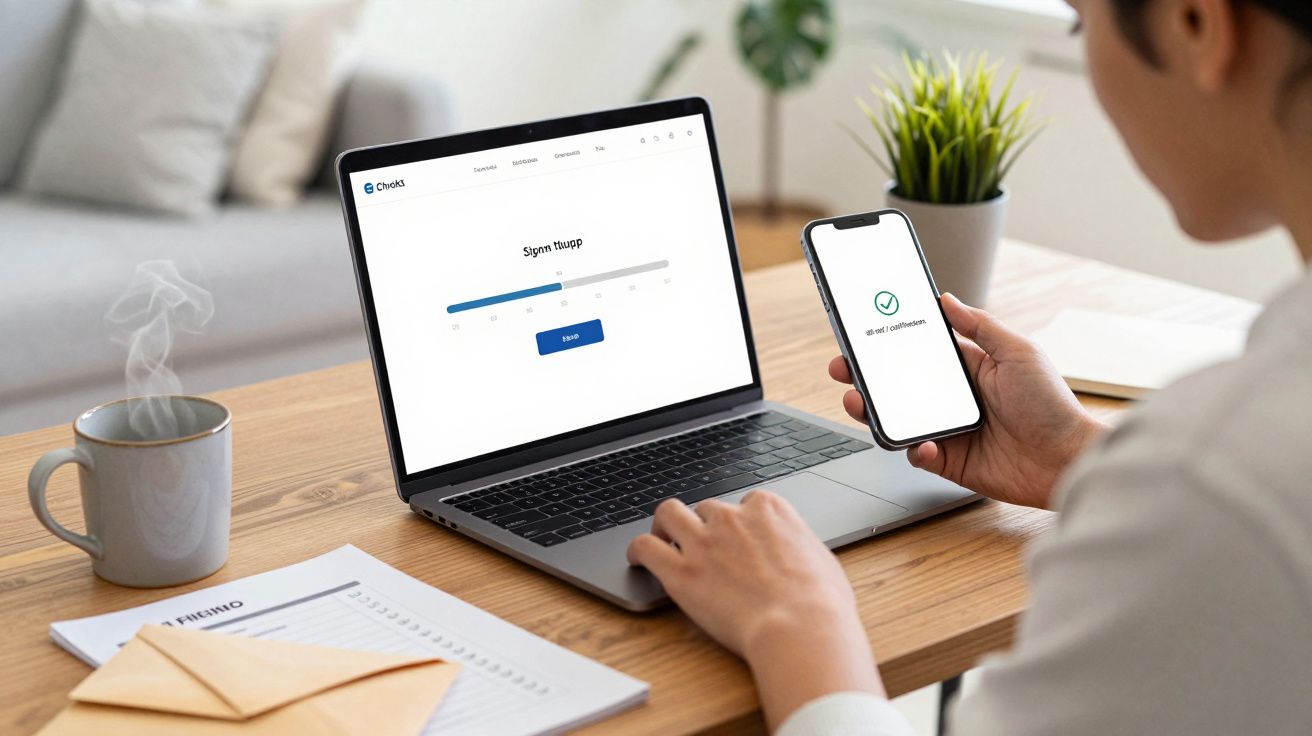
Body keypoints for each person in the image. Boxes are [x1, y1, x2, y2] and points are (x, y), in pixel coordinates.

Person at [626, 0, 1312, 733]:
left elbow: (1228, 506)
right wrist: (1074, 454)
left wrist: (796, 619)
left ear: (1196, 24)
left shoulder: (1217, 479)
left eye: (1081, 21)